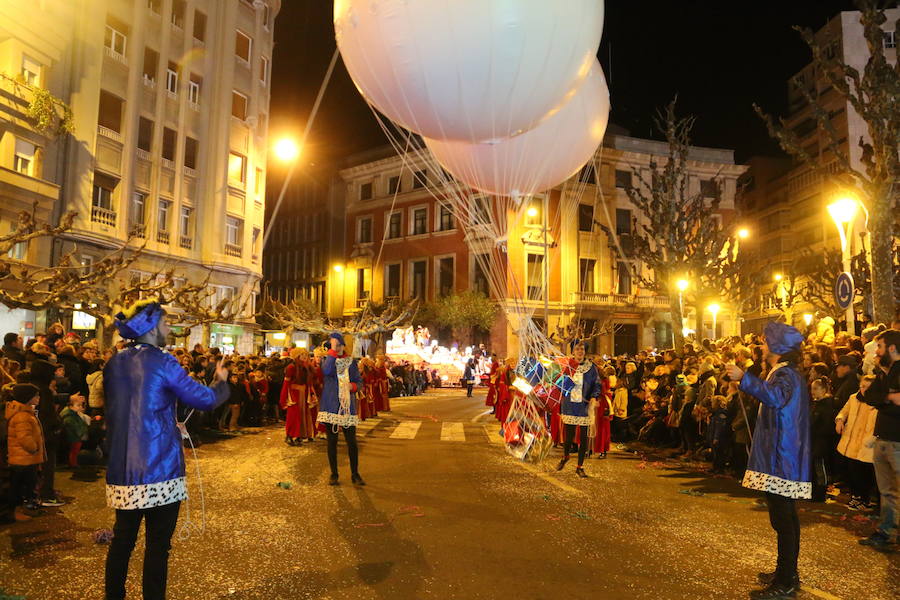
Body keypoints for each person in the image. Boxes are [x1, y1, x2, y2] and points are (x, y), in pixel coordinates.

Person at [103, 299, 229, 600]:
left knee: (123, 540)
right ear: (150, 328)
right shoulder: (163, 361)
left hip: (123, 466)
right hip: (159, 466)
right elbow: (204, 399)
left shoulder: (114, 362)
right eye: (165, 323)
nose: (169, 328)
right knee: (158, 546)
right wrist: (220, 381)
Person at [725, 321, 810, 600]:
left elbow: (775, 398)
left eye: (764, 342)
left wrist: (744, 378)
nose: (760, 346)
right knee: (782, 517)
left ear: (776, 346)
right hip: (778, 455)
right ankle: (786, 573)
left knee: (784, 519)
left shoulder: (787, 375)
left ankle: (785, 580)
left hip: (781, 458)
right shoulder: (781, 372)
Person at [856, 328, 900, 549]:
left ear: (892, 348)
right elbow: (866, 396)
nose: (877, 351)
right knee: (887, 491)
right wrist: (889, 398)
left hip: (897, 441)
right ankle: (887, 533)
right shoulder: (884, 372)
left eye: (880, 347)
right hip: (883, 438)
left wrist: (884, 400)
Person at [317, 333, 364, 486]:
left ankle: (355, 474)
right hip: (331, 405)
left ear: (344, 345)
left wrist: (354, 386)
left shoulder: (351, 362)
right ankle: (334, 473)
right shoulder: (327, 360)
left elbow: (359, 381)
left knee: (352, 442)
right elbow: (328, 371)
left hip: (347, 407)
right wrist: (332, 352)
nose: (337, 347)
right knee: (332, 441)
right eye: (334, 344)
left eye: (339, 344)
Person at [556, 341, 602, 478]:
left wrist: (594, 397)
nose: (580, 351)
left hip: (584, 406)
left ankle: (580, 466)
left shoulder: (591, 367)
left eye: (582, 349)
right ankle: (565, 456)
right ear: (573, 351)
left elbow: (597, 384)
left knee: (583, 438)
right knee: (568, 437)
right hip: (569, 405)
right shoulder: (567, 366)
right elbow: (559, 384)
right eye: (577, 349)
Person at [835, 375, 879, 510]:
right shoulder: (853, 398)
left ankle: (864, 499)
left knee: (864, 473)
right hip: (851, 440)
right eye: (861, 386)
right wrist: (840, 420)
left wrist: (874, 437)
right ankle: (856, 496)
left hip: (867, 444)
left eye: (866, 387)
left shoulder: (877, 402)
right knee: (852, 471)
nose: (863, 389)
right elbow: (844, 411)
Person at [5, 383, 45, 522]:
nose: (38, 398)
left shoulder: (25, 412)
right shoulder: (22, 416)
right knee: (20, 486)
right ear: (28, 398)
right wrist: (34, 448)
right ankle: (16, 511)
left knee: (25, 485)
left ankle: (24, 508)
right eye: (36, 396)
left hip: (25, 458)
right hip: (23, 459)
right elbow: (24, 438)